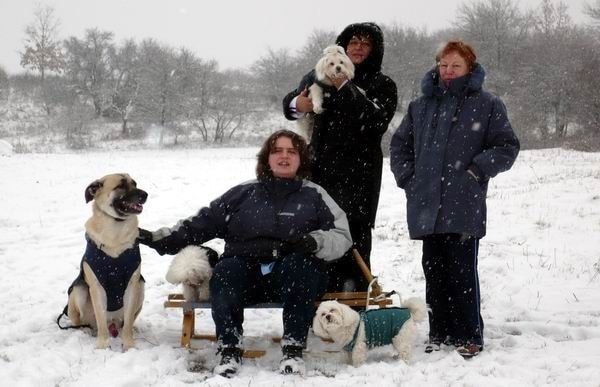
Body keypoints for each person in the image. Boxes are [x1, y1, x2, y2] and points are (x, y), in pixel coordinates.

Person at [138, 130, 351, 377]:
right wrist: (159, 239)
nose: (284, 157)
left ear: (301, 159)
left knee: (301, 269)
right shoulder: (243, 193)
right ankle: (229, 348)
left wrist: (314, 242)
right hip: (245, 273)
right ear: (266, 158)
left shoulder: (315, 194)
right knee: (226, 271)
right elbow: (201, 223)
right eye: (277, 151)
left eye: (292, 151)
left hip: (292, 275)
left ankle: (293, 350)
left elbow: (342, 236)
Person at [389, 40, 520, 358]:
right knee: (433, 271)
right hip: (425, 204)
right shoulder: (420, 106)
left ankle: (469, 334)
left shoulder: (487, 104)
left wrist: (475, 172)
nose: (448, 71)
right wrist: (409, 178)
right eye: (443, 65)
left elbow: (506, 146)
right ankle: (440, 332)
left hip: (463, 203)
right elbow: (399, 145)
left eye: (456, 66)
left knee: (462, 272)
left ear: (470, 68)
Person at [282, 22, 397, 292]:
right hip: (319, 171)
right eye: (353, 42)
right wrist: (296, 105)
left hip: (359, 176)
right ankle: (317, 312)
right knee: (317, 241)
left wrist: (346, 87)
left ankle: (352, 314)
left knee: (353, 244)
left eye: (365, 43)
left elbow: (375, 121)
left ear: (375, 50)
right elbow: (292, 101)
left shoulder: (383, 84)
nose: (358, 48)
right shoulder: (318, 74)